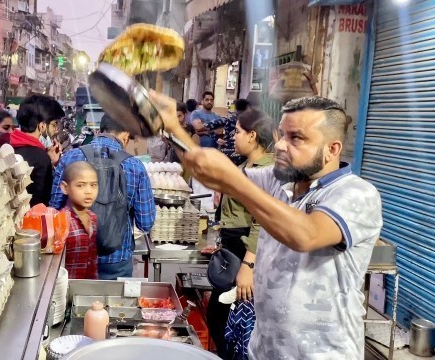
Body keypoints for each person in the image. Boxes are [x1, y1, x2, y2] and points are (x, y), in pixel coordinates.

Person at [153, 93, 383, 359]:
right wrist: (172, 126)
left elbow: (306, 234)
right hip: (264, 350)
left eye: (296, 138)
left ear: (332, 149)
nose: (282, 146)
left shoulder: (356, 193)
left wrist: (234, 181)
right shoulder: (280, 181)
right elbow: (209, 171)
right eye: (282, 135)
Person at [202, 109, 275, 358]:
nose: (234, 136)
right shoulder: (245, 166)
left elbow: (262, 220)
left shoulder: (267, 171)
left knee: (237, 324)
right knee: (219, 317)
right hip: (233, 246)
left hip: (248, 251)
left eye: (239, 132)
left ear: (253, 136)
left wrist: (248, 265)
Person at [50, 115, 156, 280]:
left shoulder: (69, 158)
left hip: (74, 255)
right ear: (125, 135)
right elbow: (146, 222)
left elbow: (55, 208)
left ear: (99, 131)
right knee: (114, 303)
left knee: (72, 302)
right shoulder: (135, 166)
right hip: (117, 258)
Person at [12, 94, 64, 207]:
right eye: (55, 124)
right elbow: (43, 201)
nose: (55, 130)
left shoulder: (8, 146)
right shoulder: (41, 158)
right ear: (42, 126)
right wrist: (54, 164)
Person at [60, 161, 99, 280]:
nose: (88, 191)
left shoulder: (92, 218)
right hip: (65, 290)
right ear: (65, 188)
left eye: (93, 185)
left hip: (88, 288)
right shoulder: (62, 221)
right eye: (80, 185)